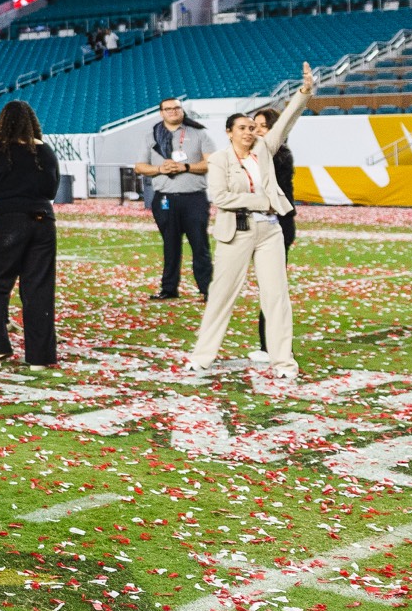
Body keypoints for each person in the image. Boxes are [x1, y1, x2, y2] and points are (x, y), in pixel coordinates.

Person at [185, 64, 314, 380]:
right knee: (221, 296)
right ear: (229, 132)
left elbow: (286, 121)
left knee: (277, 297)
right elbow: (222, 197)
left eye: (252, 127)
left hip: (270, 230)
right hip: (236, 232)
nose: (249, 131)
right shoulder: (219, 160)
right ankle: (202, 357)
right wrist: (262, 201)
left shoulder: (265, 151)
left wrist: (303, 92)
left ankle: (283, 362)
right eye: (242, 127)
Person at [0, 100, 61, 368]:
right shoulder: (46, 151)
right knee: (39, 289)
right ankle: (41, 357)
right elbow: (52, 190)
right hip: (43, 220)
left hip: (9, 219)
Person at [134, 97, 214, 302]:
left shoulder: (198, 133)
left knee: (200, 245)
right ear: (161, 113)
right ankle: (169, 289)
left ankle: (207, 289)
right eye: (167, 109)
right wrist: (160, 169)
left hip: (194, 198)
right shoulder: (151, 136)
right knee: (170, 245)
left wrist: (185, 167)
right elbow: (140, 166)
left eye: (176, 108)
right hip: (165, 198)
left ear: (182, 111)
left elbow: (211, 163)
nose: (172, 112)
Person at [249, 103, 301, 366]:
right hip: (257, 226)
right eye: (254, 125)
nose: (256, 130)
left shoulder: (278, 156)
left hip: (277, 225)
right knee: (267, 287)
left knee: (274, 288)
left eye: (263, 126)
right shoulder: (252, 155)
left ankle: (275, 346)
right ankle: (268, 344)